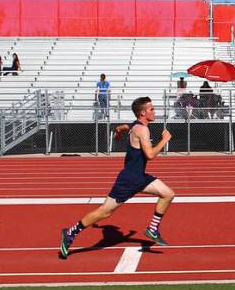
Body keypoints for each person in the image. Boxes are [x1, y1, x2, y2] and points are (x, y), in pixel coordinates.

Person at [60, 97, 175, 259]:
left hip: (139, 177)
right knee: (104, 212)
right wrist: (164, 140)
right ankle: (70, 232)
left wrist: (118, 130)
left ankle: (153, 229)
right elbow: (150, 155)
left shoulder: (136, 125)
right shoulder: (142, 130)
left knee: (168, 194)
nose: (154, 111)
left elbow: (125, 126)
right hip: (128, 180)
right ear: (143, 113)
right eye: (151, 109)